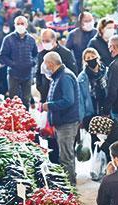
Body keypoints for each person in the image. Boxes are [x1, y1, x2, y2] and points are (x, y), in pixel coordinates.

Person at [42, 52, 80, 185]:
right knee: (65, 155)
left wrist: (50, 106)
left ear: (51, 64)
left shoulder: (65, 77)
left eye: (45, 63)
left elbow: (68, 100)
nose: (44, 66)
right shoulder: (57, 77)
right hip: (61, 122)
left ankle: (70, 188)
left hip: (67, 123)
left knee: (66, 157)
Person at [0, 15, 36, 107]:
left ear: (26, 25)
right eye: (18, 24)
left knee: (26, 100)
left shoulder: (31, 39)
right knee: (13, 100)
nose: (20, 25)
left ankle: (26, 120)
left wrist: (32, 63)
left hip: (27, 75)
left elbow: (36, 54)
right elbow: (2, 55)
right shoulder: (8, 39)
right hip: (13, 75)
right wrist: (13, 64)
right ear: (14, 25)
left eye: (22, 23)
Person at [36, 28, 77, 104]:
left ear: (54, 39)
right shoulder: (41, 54)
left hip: (61, 95)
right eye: (43, 41)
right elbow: (38, 72)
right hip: (45, 93)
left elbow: (73, 72)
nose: (45, 43)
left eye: (47, 41)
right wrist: (40, 87)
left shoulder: (66, 53)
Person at [77, 47, 109, 120]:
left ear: (97, 57)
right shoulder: (82, 78)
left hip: (107, 109)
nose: (91, 59)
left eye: (93, 56)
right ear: (85, 61)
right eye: (88, 57)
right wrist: (82, 118)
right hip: (91, 112)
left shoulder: (106, 71)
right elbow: (80, 100)